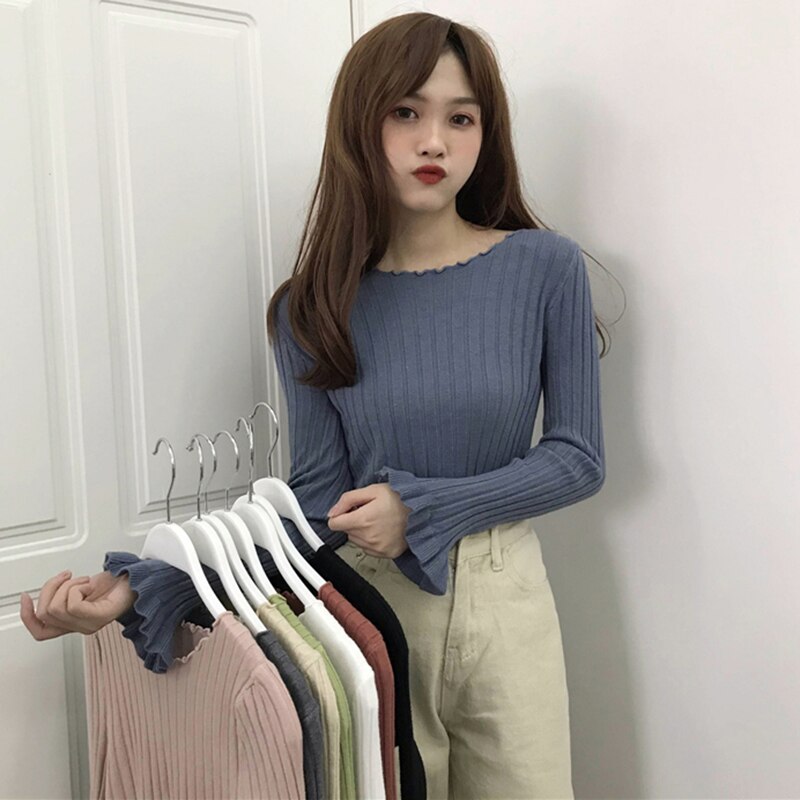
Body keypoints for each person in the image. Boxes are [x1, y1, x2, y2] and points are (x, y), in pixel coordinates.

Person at [22, 12, 614, 799]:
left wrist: (422, 508)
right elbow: (309, 506)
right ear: (360, 124)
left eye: (460, 118)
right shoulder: (309, 309)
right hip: (368, 612)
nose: (433, 141)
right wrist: (152, 586)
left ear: (486, 132)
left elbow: (577, 458)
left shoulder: (544, 267)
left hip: (507, 604)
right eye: (405, 112)